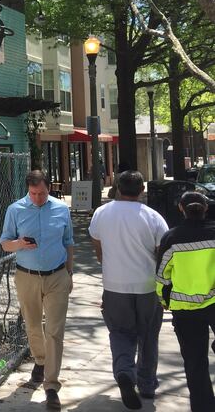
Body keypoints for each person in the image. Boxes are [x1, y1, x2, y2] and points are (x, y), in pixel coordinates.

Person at [88, 170, 168, 409]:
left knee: (121, 333)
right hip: (147, 285)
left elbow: (98, 248)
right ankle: (146, 384)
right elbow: (162, 253)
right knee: (148, 335)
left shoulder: (102, 213)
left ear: (117, 188)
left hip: (115, 286)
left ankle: (124, 372)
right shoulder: (153, 217)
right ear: (142, 190)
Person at [0, 170, 74, 410]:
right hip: (27, 276)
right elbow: (4, 244)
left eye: (42, 193)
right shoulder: (15, 209)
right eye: (33, 194)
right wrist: (20, 243)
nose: (38, 198)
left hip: (57, 276)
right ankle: (40, 361)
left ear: (48, 189)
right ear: (27, 191)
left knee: (54, 331)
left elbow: (68, 242)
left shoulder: (61, 209)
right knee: (33, 326)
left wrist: (69, 273)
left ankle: (51, 386)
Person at [156, 192, 215, 411]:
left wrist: (163, 299)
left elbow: (161, 276)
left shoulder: (171, 238)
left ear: (181, 208)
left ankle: (203, 406)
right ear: (205, 208)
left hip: (185, 310)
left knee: (195, 362)